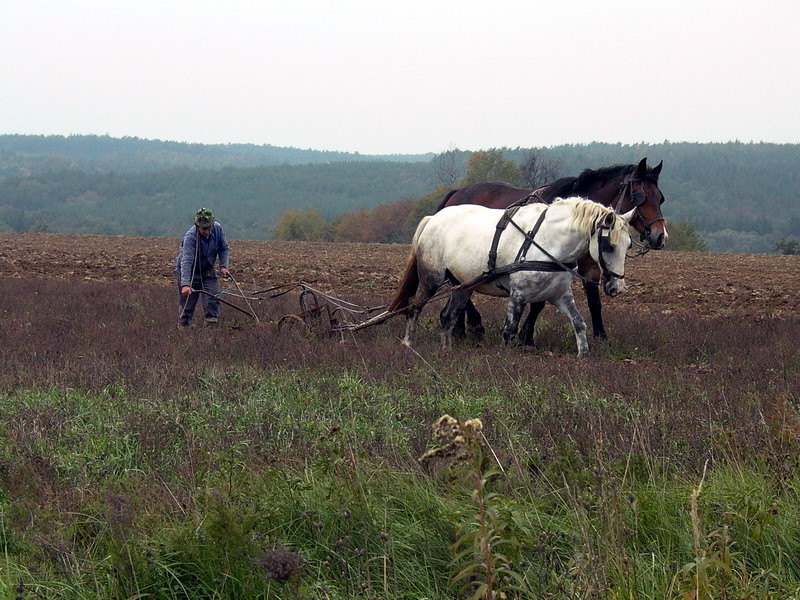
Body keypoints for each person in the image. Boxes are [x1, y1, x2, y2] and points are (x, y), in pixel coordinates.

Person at [176, 207, 231, 328]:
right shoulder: (190, 237)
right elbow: (186, 261)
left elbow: (224, 248)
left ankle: (210, 331)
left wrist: (223, 266)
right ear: (197, 226)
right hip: (190, 272)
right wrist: (185, 284)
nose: (207, 231)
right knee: (187, 304)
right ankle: (183, 329)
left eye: (209, 228)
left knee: (212, 299)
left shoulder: (218, 229)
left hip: (208, 270)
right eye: (204, 229)